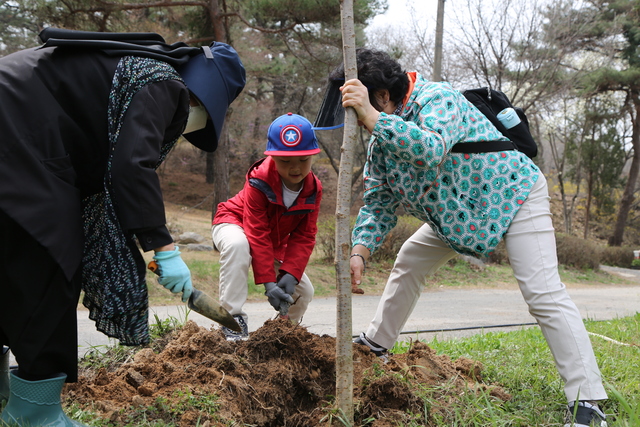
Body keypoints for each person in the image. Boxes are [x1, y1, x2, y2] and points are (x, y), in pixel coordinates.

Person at [329, 48, 608, 427]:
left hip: (513, 195)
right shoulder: (380, 142)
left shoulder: (436, 98)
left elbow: (430, 148)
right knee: (410, 258)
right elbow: (378, 204)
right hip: (461, 217)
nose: (360, 126)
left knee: (542, 293)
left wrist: (373, 118)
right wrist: (359, 251)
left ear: (379, 96)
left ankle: (587, 401)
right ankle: (377, 342)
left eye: (359, 114)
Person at [0, 27, 245, 425]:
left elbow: (111, 161)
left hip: (19, 131)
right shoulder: (163, 83)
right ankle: (35, 412)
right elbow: (132, 166)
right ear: (203, 97)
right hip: (18, 136)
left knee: (11, 258)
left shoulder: (130, 69)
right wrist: (163, 248)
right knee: (51, 258)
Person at [211, 112, 323, 341]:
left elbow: (305, 236)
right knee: (238, 245)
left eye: (303, 160)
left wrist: (290, 274)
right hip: (234, 223)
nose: (295, 168)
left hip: (270, 242)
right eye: (285, 161)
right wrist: (269, 283)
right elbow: (256, 231)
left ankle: (283, 333)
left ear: (312, 156)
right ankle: (232, 321)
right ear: (272, 157)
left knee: (304, 291)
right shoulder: (258, 181)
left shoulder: (313, 189)